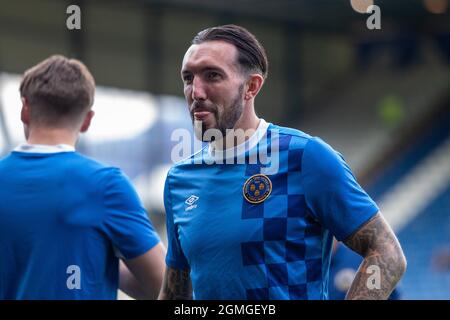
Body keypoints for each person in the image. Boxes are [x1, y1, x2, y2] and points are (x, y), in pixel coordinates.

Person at [159, 25, 406, 300]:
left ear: (251, 87)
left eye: (212, 76)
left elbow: (387, 253)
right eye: (188, 78)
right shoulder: (179, 180)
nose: (196, 91)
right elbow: (175, 293)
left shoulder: (305, 157)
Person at [0, 55, 165, 299]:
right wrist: (103, 258)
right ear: (87, 120)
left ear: (25, 109)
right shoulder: (105, 186)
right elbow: (167, 286)